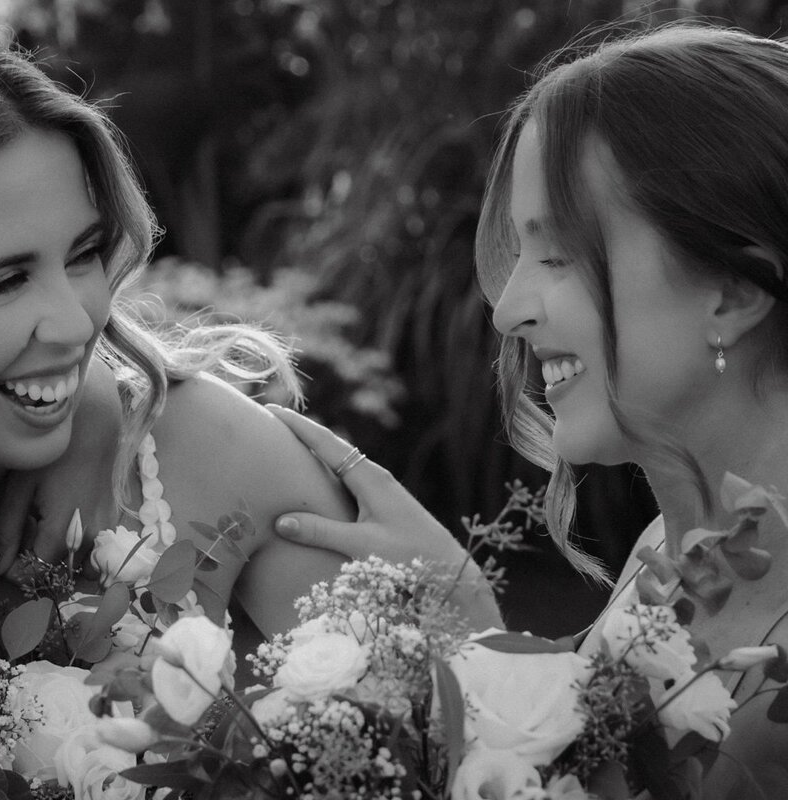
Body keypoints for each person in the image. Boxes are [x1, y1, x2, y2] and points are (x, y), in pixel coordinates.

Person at [0, 24, 499, 685]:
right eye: (5, 281)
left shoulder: (186, 450)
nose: (77, 321)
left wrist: (467, 614)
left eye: (83, 254)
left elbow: (462, 735)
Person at [272, 23, 788, 793]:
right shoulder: (670, 558)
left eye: (557, 255)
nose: (507, 310)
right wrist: (475, 632)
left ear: (734, 292)